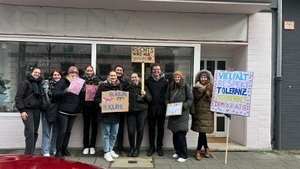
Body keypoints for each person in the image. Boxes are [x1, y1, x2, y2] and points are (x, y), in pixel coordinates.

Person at [52, 66, 83, 158]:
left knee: (68, 131)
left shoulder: (79, 83)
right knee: (62, 131)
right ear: (68, 73)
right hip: (63, 111)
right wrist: (66, 91)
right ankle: (59, 150)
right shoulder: (63, 81)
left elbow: (80, 96)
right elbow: (55, 94)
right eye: (72, 73)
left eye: (75, 73)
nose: (74, 74)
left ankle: (65, 148)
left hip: (73, 111)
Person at [15, 67, 45, 155]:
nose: (37, 74)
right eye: (35, 72)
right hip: (27, 110)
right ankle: (28, 154)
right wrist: (22, 111)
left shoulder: (39, 84)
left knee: (35, 132)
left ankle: (31, 152)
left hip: (36, 110)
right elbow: (18, 98)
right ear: (31, 73)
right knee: (30, 132)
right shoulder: (25, 83)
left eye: (39, 73)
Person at [165, 71, 193, 162]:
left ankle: (184, 155)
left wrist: (183, 106)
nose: (177, 79)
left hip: (182, 114)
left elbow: (190, 99)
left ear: (181, 78)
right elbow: (166, 98)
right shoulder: (170, 87)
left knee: (181, 135)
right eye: (175, 77)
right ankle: (177, 151)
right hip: (173, 114)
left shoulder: (185, 87)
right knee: (175, 134)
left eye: (178, 77)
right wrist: (168, 105)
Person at [94, 71, 122, 162]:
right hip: (105, 115)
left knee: (114, 134)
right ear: (108, 76)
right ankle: (106, 152)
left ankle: (110, 149)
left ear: (117, 76)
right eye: (111, 75)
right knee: (106, 134)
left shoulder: (119, 86)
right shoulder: (102, 86)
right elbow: (96, 98)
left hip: (116, 114)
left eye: (115, 75)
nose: (113, 77)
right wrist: (100, 103)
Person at [125, 73, 152, 157]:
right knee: (131, 131)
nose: (134, 79)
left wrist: (145, 94)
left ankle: (137, 148)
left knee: (140, 130)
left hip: (142, 112)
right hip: (131, 112)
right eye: (132, 77)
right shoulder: (128, 88)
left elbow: (150, 99)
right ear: (130, 79)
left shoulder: (143, 87)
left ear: (138, 78)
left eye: (135, 77)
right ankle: (132, 148)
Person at [145, 63, 169, 156]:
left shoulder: (165, 81)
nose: (156, 71)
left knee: (160, 129)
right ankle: (151, 147)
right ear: (152, 70)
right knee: (151, 129)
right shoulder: (147, 81)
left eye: (158, 69)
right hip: (151, 109)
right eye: (154, 69)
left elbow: (167, 95)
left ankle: (159, 147)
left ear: (160, 70)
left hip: (161, 109)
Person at [190, 69, 214, 160]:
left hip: (207, 113)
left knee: (202, 133)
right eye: (201, 77)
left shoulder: (211, 87)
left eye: (204, 77)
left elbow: (215, 100)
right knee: (202, 132)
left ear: (207, 78)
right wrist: (192, 112)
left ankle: (199, 150)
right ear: (199, 78)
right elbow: (192, 101)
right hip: (198, 113)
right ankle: (206, 148)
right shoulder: (195, 88)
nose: (203, 79)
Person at [41, 69, 62, 156]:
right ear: (52, 76)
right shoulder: (45, 84)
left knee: (56, 131)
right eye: (55, 75)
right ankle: (45, 150)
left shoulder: (63, 85)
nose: (56, 76)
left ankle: (53, 148)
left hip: (57, 110)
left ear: (61, 76)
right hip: (47, 109)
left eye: (58, 75)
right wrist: (43, 105)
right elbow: (41, 96)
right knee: (46, 131)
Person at [81, 66, 100, 155]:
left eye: (90, 71)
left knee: (95, 126)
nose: (89, 72)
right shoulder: (81, 81)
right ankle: (86, 146)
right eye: (87, 70)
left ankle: (92, 146)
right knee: (86, 126)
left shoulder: (98, 80)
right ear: (85, 71)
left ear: (93, 71)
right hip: (85, 106)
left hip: (95, 107)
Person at [114, 65, 129, 156]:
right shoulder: (109, 81)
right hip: (111, 109)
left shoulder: (125, 82)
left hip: (121, 109)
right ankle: (110, 147)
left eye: (120, 70)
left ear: (122, 72)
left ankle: (120, 146)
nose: (119, 72)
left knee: (120, 129)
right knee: (111, 129)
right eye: (117, 70)